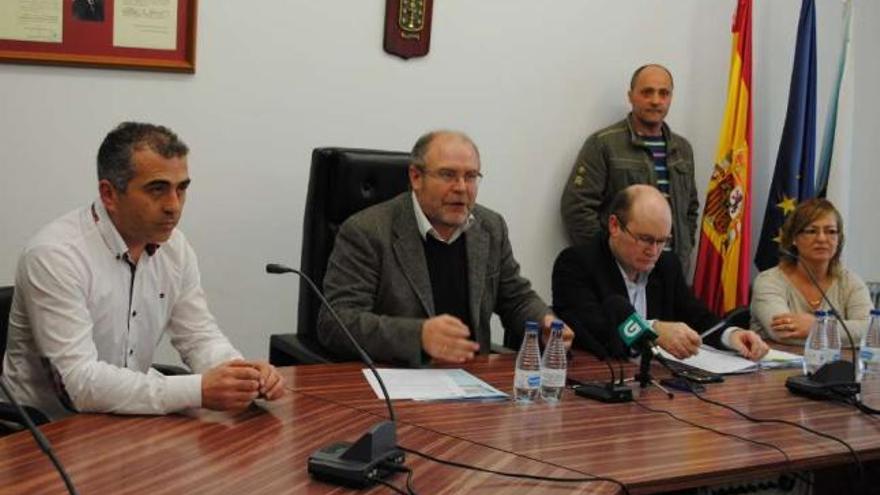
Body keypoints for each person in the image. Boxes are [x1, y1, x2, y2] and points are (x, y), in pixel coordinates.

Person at [1, 122, 285, 421]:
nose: (174, 206)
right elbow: (80, 383)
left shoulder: (175, 247)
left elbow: (199, 336)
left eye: (182, 189)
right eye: (157, 189)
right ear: (109, 194)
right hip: (41, 430)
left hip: (130, 418)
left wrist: (241, 374)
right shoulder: (54, 255)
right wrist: (198, 389)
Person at [318, 130, 574, 367]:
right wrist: (418, 336)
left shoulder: (490, 227)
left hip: (474, 382)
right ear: (416, 177)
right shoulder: (367, 231)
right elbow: (337, 323)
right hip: (398, 380)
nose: (461, 188)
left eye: (471, 176)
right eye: (448, 175)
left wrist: (545, 322)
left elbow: (515, 298)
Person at [553, 185, 767, 360]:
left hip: (660, 387)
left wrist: (732, 335)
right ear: (614, 226)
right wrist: (653, 330)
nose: (653, 251)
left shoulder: (667, 265)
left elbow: (698, 317)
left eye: (662, 241)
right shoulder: (576, 263)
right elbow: (596, 330)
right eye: (645, 239)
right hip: (599, 388)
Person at [560, 64, 700, 273]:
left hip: (671, 271)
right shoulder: (603, 144)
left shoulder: (683, 149)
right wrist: (607, 258)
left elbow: (690, 209)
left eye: (664, 93)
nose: (655, 100)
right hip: (622, 272)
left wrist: (684, 248)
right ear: (631, 96)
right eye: (647, 92)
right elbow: (577, 208)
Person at [751, 198, 872, 345]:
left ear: (838, 239)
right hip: (776, 367)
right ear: (794, 238)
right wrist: (845, 334)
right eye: (812, 231)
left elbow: (871, 331)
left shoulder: (850, 282)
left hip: (834, 366)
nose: (821, 238)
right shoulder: (769, 281)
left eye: (831, 231)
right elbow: (782, 333)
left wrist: (816, 327)